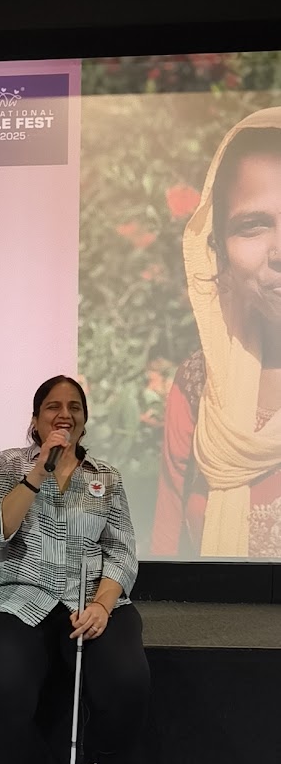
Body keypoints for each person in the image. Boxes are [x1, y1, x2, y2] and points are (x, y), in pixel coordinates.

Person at [0, 374, 150, 764]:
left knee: (128, 682)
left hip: (88, 602)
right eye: (52, 407)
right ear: (35, 419)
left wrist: (102, 603)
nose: (63, 414)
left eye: (74, 406)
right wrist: (36, 473)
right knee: (7, 687)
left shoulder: (106, 476)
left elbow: (122, 553)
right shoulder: (10, 465)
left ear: (85, 419)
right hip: (17, 598)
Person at [151, 108, 281, 558]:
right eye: (253, 224)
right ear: (218, 249)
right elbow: (166, 551)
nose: (280, 250)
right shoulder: (199, 384)